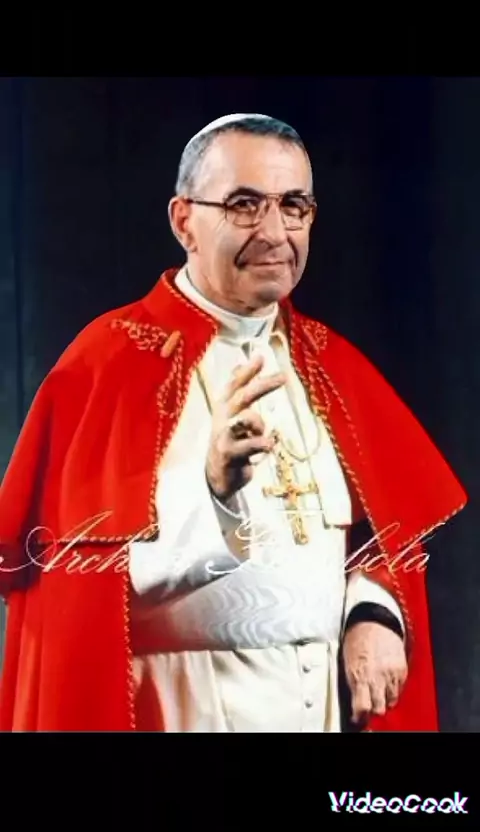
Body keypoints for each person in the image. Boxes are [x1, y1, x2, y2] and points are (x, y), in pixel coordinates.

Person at [0, 113, 467, 732]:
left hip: (321, 706)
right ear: (184, 221)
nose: (274, 232)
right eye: (245, 205)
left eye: (293, 206)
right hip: (177, 705)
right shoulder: (107, 361)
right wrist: (213, 494)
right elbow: (75, 586)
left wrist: (374, 611)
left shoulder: (332, 364)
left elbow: (378, 536)